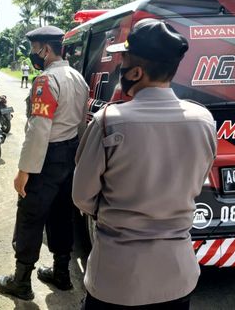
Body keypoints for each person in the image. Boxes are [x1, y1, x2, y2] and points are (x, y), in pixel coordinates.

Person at [72, 19, 217, 309]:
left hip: (117, 280)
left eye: (122, 60)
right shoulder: (204, 121)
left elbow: (82, 197)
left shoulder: (108, 122)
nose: (119, 68)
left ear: (136, 72)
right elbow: (197, 180)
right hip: (176, 278)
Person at [0, 25, 89, 300]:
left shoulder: (46, 81)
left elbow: (39, 129)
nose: (33, 55)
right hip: (70, 156)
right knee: (62, 213)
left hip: (46, 158)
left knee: (30, 217)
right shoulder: (77, 78)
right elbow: (81, 123)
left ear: (46, 49)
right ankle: (61, 273)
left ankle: (21, 281)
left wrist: (24, 171)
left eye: (34, 49)